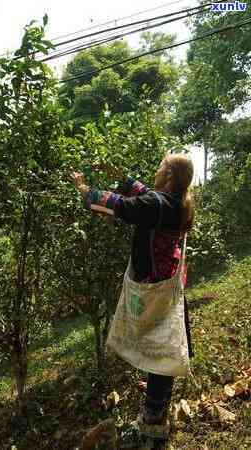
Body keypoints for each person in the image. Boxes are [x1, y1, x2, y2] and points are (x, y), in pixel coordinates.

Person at [70, 153, 194, 433]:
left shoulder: (156, 204)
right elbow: (146, 195)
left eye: (161, 166)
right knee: (165, 346)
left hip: (153, 288)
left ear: (170, 175)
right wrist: (121, 175)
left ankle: (152, 419)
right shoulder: (177, 203)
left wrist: (84, 190)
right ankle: (159, 410)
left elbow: (122, 206)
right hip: (169, 284)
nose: (156, 169)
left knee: (158, 351)